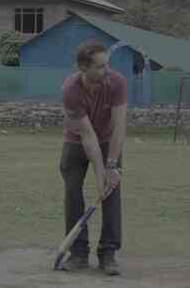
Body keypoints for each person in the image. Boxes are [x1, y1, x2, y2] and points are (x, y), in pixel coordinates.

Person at [58, 40, 127, 276]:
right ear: (83, 68)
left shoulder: (116, 82)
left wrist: (110, 167)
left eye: (107, 64)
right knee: (73, 193)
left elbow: (119, 127)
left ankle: (108, 253)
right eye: (99, 66)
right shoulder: (71, 89)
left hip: (110, 141)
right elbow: (87, 135)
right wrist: (99, 174)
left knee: (111, 190)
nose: (106, 70)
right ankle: (78, 254)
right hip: (76, 141)